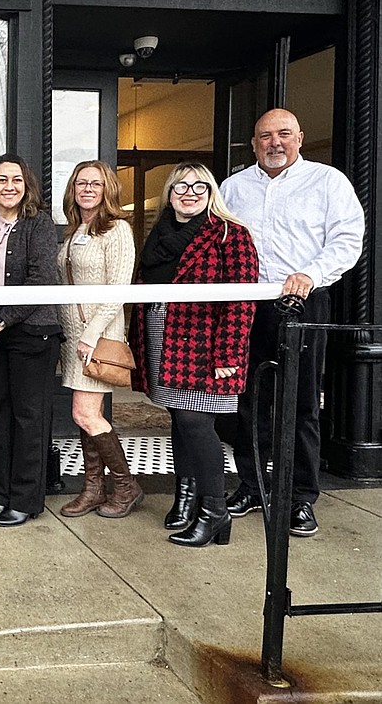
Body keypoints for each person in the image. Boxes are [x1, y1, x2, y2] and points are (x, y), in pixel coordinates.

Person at [222, 109, 364, 538]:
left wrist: (312, 275)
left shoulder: (327, 182)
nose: (275, 142)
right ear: (253, 143)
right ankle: (252, 484)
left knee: (301, 403)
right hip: (248, 306)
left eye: (284, 134)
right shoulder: (233, 186)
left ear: (300, 137)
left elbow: (347, 239)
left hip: (302, 303)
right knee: (248, 402)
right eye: (265, 136)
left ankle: (301, 496)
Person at [130, 162, 258, 548]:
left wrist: (228, 355)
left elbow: (242, 301)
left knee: (197, 423)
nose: (189, 192)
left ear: (211, 193)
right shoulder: (159, 234)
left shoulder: (230, 234)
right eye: (180, 186)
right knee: (180, 419)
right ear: (169, 193)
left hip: (203, 344)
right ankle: (185, 499)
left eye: (199, 186)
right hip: (160, 333)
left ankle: (214, 511)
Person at [0, 154, 62, 527]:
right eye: (1, 180)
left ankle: (26, 499)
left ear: (26, 185)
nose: (9, 186)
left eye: (16, 179)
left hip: (32, 332)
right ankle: (2, 496)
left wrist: (1, 320)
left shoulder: (39, 225)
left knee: (28, 418)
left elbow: (41, 281)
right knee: (0, 416)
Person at [55, 161, 141, 520]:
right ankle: (93, 489)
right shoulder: (75, 230)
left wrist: (91, 336)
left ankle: (125, 487)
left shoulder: (116, 229)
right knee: (84, 417)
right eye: (81, 183)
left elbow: (118, 289)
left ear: (108, 189)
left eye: (96, 183)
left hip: (97, 336)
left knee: (85, 413)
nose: (87, 189)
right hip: (72, 338)